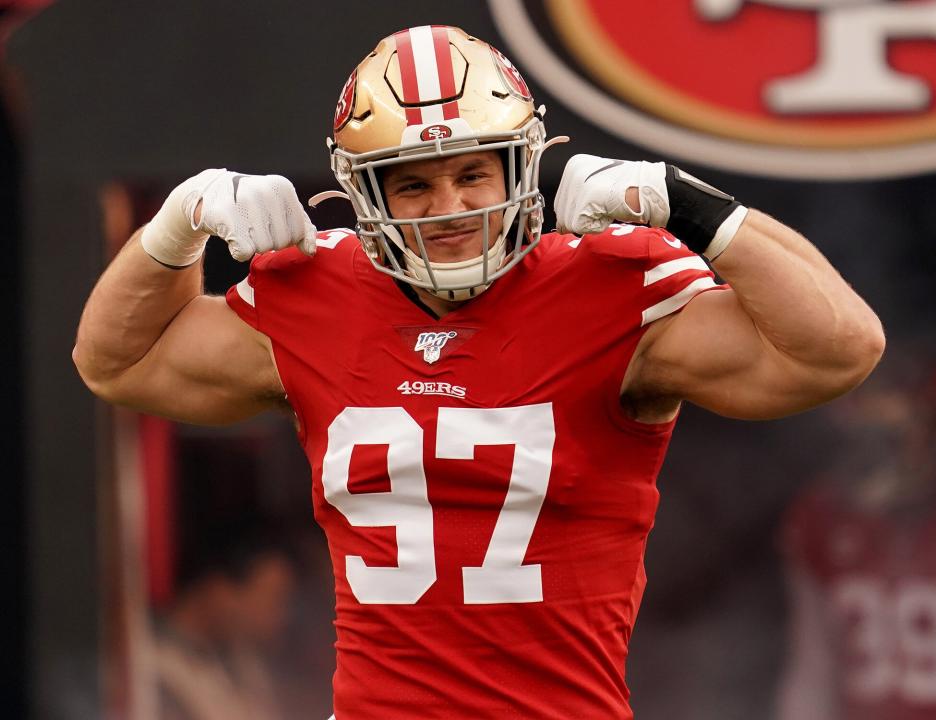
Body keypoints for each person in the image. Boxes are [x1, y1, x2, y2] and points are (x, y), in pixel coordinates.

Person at [73, 25, 884, 720]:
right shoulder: (314, 290)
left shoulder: (610, 283)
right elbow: (116, 360)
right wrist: (176, 226)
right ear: (363, 190)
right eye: (415, 183)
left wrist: (689, 205)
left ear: (522, 167)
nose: (451, 206)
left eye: (473, 172)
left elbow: (838, 348)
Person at [778, 353, 936, 720]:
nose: (876, 455)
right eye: (865, 434)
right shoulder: (820, 518)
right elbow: (814, 666)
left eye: (892, 436)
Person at [153, 529, 296, 720]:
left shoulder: (244, 661)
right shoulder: (154, 668)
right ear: (219, 588)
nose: (281, 616)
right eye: (274, 599)